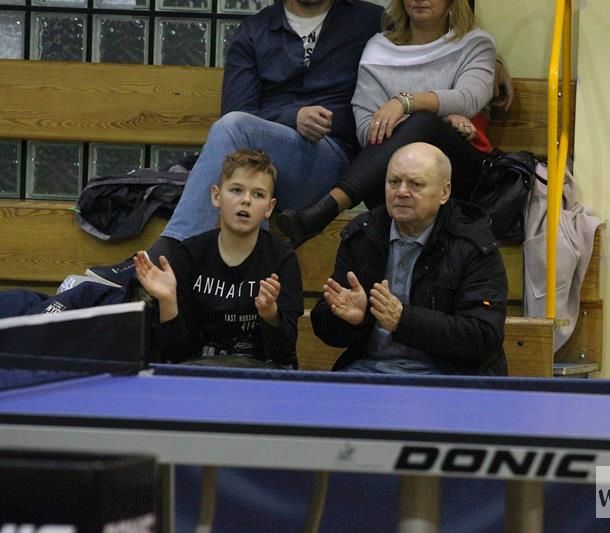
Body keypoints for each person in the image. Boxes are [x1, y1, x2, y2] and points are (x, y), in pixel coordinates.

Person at [87, 0, 513, 285]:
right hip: (265, 164)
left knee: (237, 146)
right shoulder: (254, 32)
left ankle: (165, 259)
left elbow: (426, 36)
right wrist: (291, 117)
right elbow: (235, 111)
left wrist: (492, 66)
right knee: (236, 136)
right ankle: (203, 276)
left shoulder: (366, 20)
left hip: (333, 161)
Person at [277, 0, 500, 247]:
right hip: (390, 179)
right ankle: (325, 211)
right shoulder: (378, 49)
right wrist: (435, 118)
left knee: (424, 122)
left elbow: (468, 99)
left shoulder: (475, 44)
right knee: (420, 125)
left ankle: (326, 210)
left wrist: (405, 103)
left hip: (459, 179)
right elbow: (366, 131)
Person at [310, 142, 507, 375]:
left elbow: (483, 336)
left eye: (416, 184)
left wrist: (403, 320)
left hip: (447, 377)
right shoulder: (363, 234)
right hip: (368, 370)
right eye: (394, 182)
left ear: (444, 193)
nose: (401, 192)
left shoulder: (473, 244)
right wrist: (354, 319)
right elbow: (326, 329)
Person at [133, 149, 303, 368]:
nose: (246, 200)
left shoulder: (282, 258)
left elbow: (284, 353)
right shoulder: (190, 254)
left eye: (258, 194)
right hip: (201, 373)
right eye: (236, 190)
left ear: (269, 208)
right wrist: (168, 301)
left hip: (261, 375)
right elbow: (176, 353)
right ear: (216, 196)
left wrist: (270, 314)